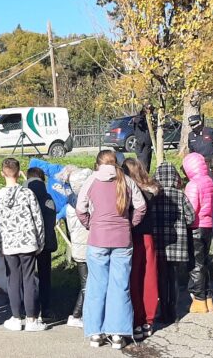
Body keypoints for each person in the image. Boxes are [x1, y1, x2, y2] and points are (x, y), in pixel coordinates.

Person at [76, 150, 146, 350]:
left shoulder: (91, 180)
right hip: (123, 239)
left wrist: (90, 224)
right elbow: (141, 207)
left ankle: (96, 333)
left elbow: (81, 209)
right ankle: (117, 333)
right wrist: (130, 224)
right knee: (120, 285)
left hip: (98, 238)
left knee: (96, 285)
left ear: (97, 163)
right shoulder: (126, 180)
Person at [0, 158, 47, 333]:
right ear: (18, 171)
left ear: (2, 173)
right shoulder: (27, 194)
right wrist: (40, 242)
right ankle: (31, 319)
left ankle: (15, 317)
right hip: (28, 242)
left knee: (12, 279)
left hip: (8, 244)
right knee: (28, 279)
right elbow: (38, 220)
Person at [151, 162, 195, 324]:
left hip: (160, 242)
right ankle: (174, 311)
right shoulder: (180, 195)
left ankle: (163, 310)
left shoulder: (154, 196)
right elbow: (191, 217)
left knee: (162, 277)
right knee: (174, 278)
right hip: (178, 243)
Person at [122, 158, 160, 341]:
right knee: (149, 277)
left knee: (134, 279)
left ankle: (137, 320)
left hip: (132, 237)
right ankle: (149, 320)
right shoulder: (152, 190)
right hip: (149, 237)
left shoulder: (129, 191)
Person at [183, 152, 213, 314]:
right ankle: (208, 297)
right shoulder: (209, 181)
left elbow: (191, 209)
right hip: (208, 224)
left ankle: (199, 300)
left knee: (196, 264)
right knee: (204, 263)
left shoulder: (193, 184)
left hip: (195, 226)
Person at [24, 167, 58, 320]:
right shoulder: (48, 197)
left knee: (27, 275)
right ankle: (46, 309)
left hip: (26, 242)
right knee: (45, 276)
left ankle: (28, 310)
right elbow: (52, 221)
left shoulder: (22, 195)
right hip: (45, 242)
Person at [65, 168, 93, 328]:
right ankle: (79, 314)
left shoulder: (70, 203)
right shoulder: (85, 205)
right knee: (87, 284)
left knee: (85, 283)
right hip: (88, 247)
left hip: (78, 247)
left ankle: (77, 314)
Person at [29, 158, 75, 222]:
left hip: (67, 212)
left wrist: (59, 216)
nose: (65, 182)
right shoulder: (55, 170)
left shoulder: (76, 183)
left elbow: (72, 204)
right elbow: (34, 162)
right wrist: (33, 180)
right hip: (49, 208)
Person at [132, 105, 154, 173]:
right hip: (142, 146)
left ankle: (145, 178)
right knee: (143, 166)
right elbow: (138, 120)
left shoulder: (149, 118)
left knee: (147, 165)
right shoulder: (139, 119)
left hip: (147, 146)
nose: (151, 111)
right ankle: (142, 180)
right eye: (150, 110)